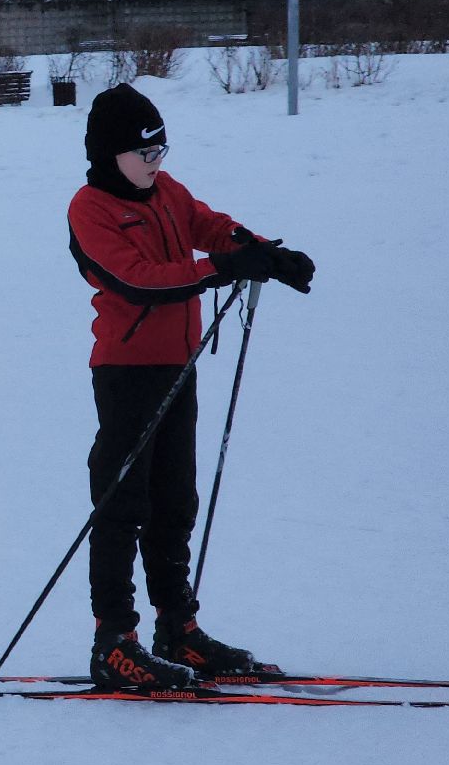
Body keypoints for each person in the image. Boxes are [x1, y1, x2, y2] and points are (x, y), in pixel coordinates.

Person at [67, 84, 315, 690]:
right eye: (144, 151)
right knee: (123, 504)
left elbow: (208, 224)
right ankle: (113, 642)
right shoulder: (91, 209)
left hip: (180, 366)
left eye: (161, 148)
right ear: (110, 153)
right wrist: (220, 270)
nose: (156, 161)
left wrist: (257, 250)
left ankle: (177, 628)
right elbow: (140, 282)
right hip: (127, 374)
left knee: (175, 501)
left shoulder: (166, 192)